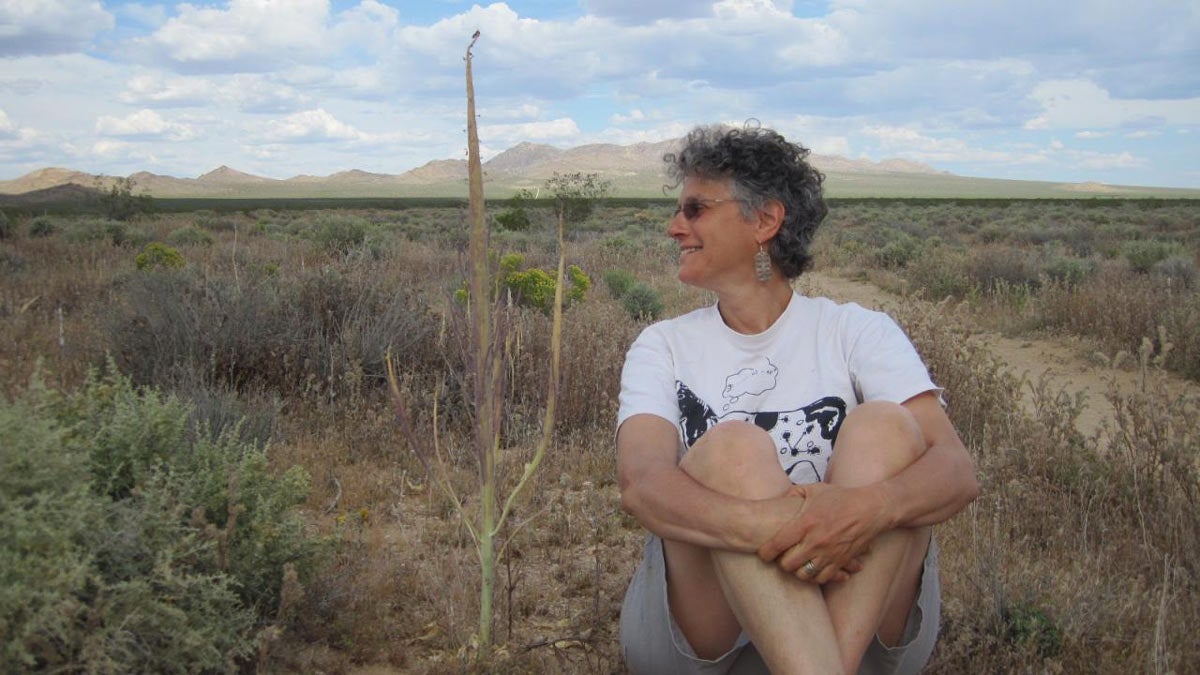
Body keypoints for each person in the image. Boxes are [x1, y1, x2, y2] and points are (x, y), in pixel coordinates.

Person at [616, 123, 980, 675]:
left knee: (886, 427)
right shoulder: (661, 345)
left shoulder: (858, 331)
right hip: (709, 638)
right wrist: (781, 529)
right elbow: (643, 485)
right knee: (733, 450)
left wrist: (863, 510)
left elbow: (956, 472)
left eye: (695, 209)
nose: (674, 227)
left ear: (764, 221)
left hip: (859, 623)